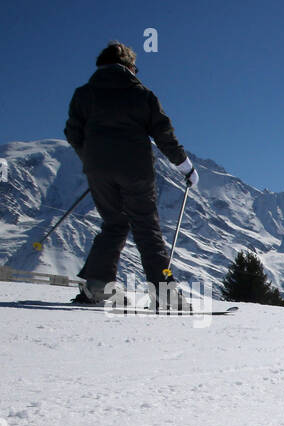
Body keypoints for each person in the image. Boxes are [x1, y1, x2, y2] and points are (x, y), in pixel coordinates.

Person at [64, 42, 198, 309]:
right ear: (129, 66)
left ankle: (97, 287)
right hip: (135, 170)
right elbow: (163, 135)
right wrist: (185, 167)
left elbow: (72, 132)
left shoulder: (83, 95)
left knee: (114, 224)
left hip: (97, 170)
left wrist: (92, 160)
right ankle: (165, 294)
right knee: (147, 228)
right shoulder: (141, 95)